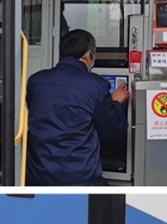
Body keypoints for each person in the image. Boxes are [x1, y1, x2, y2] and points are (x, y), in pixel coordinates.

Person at [25, 29, 129, 186]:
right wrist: (116, 103)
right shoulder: (95, 85)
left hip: (37, 175)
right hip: (78, 178)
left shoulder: (36, 81)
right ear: (88, 55)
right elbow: (114, 132)